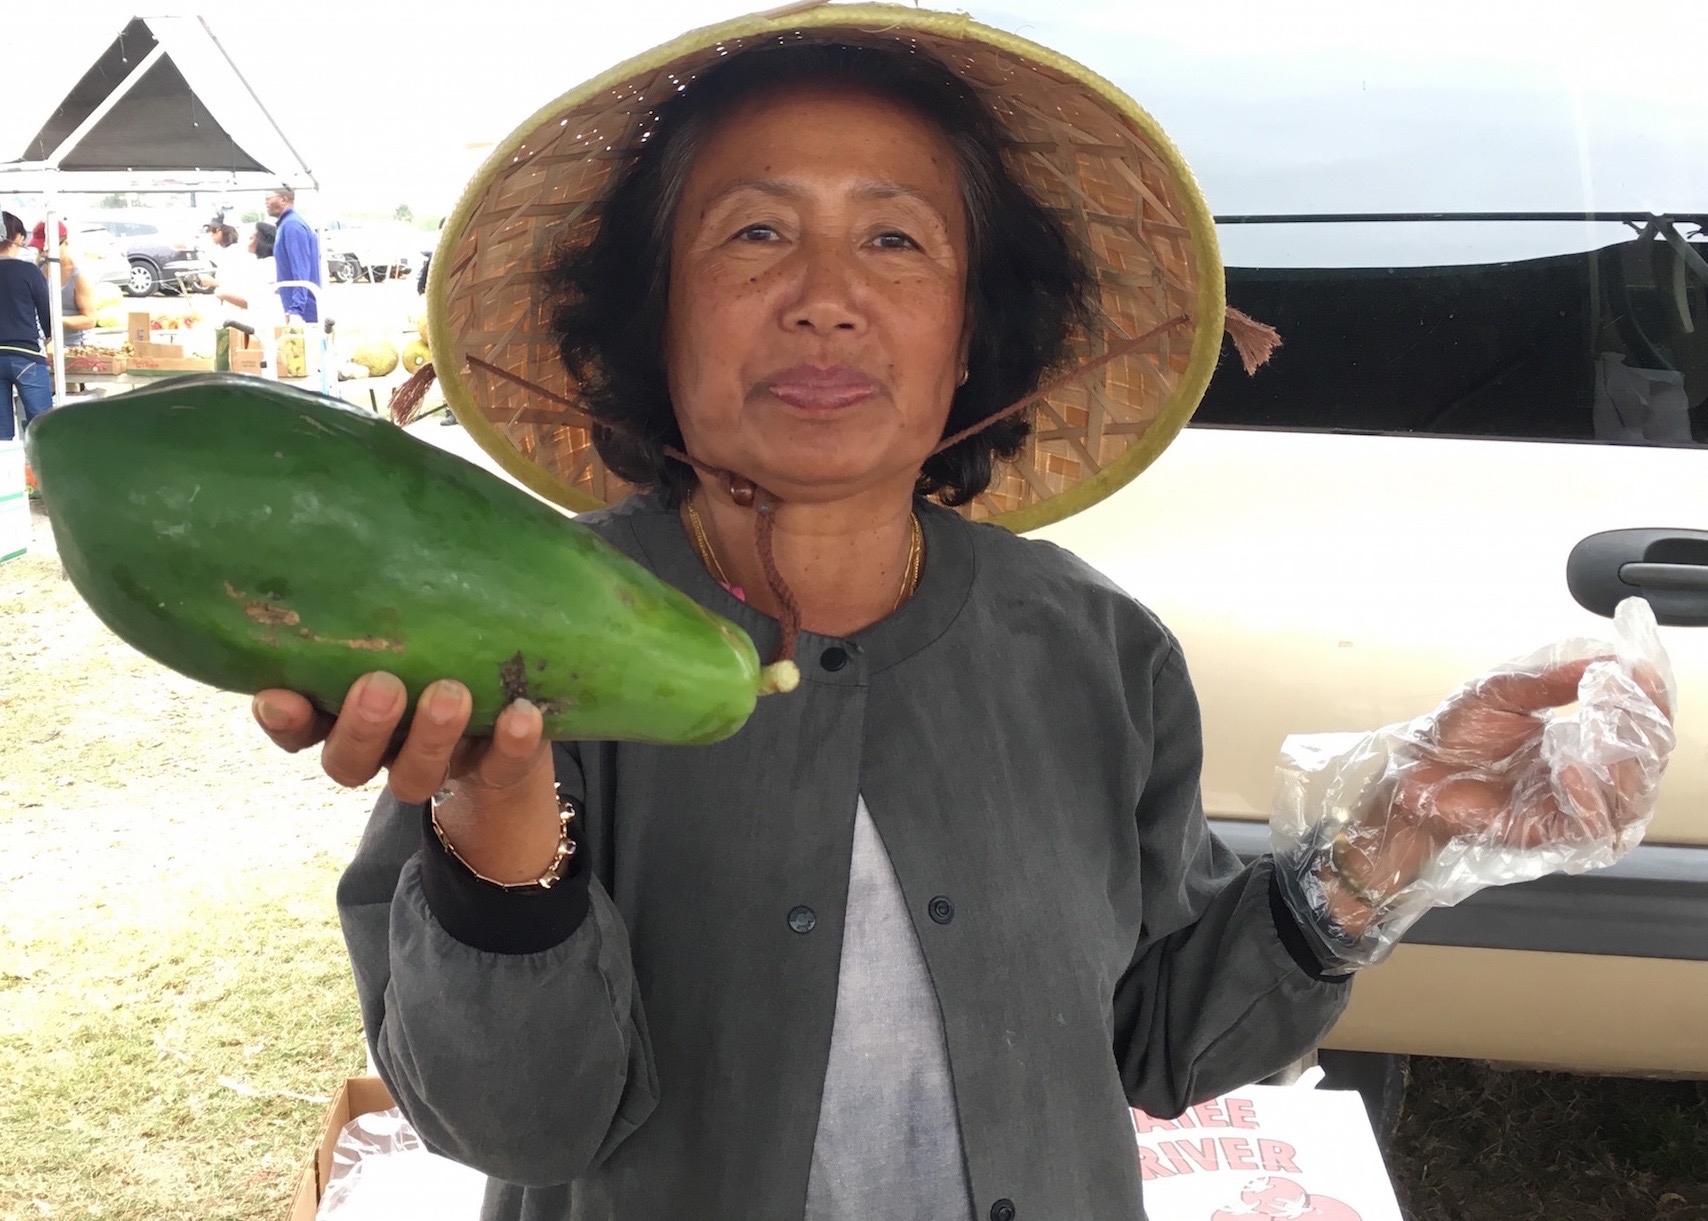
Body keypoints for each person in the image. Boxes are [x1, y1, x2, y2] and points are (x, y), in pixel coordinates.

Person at [250, 13, 1676, 1220]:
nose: (825, 300)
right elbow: (520, 1124)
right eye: (755, 231)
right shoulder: (516, 646)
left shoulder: (1097, 652)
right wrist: (501, 834)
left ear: (974, 330)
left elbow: (1159, 1039)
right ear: (651, 312)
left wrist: (1399, 832)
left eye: (896, 240)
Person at [0, 211, 53, 440]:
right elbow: (45, 310)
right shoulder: (29, 271)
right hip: (26, 355)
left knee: (1, 434)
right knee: (41, 428)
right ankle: (37, 473)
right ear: (19, 238)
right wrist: (49, 335)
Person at [28, 221, 97, 351]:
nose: (44, 254)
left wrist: (56, 319)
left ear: (66, 243)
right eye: (40, 250)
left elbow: (89, 320)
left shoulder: (79, 276)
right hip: (43, 346)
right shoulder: (40, 267)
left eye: (48, 250)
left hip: (75, 347)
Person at [265, 185, 319, 324]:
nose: (265, 202)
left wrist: (296, 309)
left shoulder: (292, 226)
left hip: (304, 311)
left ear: (283, 200)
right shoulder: (287, 225)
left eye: (268, 198)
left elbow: (300, 269)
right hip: (297, 305)